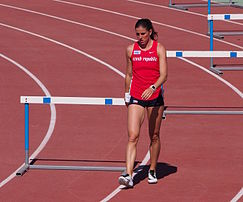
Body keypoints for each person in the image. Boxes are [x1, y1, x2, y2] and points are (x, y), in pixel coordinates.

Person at [118, 18, 168, 188]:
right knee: (133, 135)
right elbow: (128, 74)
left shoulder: (159, 49)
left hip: (154, 98)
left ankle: (152, 169)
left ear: (150, 32)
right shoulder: (131, 49)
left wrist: (153, 87)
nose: (140, 37)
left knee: (154, 135)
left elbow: (164, 75)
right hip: (136, 96)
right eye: (137, 34)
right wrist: (126, 94)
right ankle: (128, 173)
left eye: (143, 34)